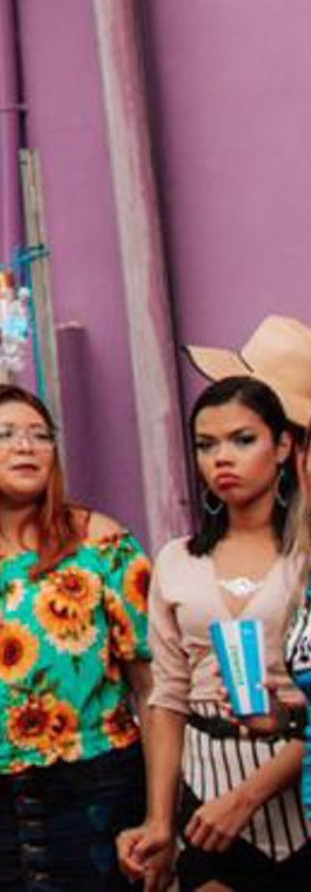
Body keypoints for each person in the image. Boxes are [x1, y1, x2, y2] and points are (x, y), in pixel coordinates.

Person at [0, 385, 152, 888]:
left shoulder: (101, 543)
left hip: (96, 789)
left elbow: (154, 686)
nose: (26, 446)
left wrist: (159, 817)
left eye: (39, 435)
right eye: (5, 434)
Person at [119, 375, 310, 887]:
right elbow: (167, 696)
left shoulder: (306, 557)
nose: (222, 458)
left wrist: (248, 796)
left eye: (243, 440)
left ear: (284, 445)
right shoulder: (176, 560)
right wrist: (160, 819)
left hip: (298, 784)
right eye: (206, 445)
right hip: (205, 787)